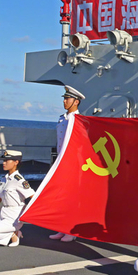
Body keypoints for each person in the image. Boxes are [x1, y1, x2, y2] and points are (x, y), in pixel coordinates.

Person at [49, 84, 85, 243]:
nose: (64, 101)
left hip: (72, 163)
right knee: (61, 198)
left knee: (71, 198)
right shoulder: (62, 118)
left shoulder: (79, 120)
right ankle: (61, 228)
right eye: (64, 99)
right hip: (60, 162)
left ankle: (71, 231)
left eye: (67, 99)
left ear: (76, 102)